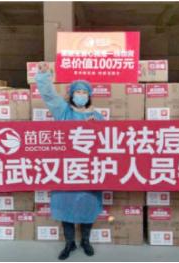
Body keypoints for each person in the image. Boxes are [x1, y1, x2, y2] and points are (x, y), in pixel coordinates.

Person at [33, 63, 104, 260]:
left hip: (90, 169)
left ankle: (86, 241)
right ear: (72, 94)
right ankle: (69, 243)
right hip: (66, 168)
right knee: (66, 205)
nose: (81, 94)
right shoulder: (63, 112)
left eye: (84, 91)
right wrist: (44, 75)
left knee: (88, 205)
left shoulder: (97, 116)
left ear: (89, 95)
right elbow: (49, 95)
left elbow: (108, 141)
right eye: (77, 91)